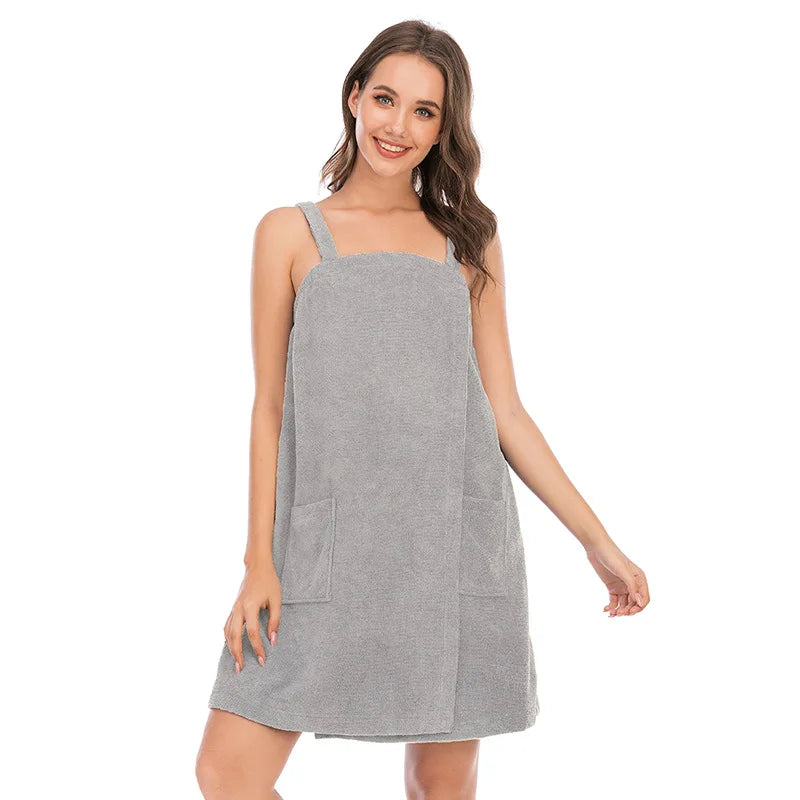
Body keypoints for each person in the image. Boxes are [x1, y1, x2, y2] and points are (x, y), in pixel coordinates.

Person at [195, 19, 650, 800]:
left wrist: (597, 542)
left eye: (424, 111)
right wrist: (258, 562)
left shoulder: (467, 240)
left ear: (444, 128)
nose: (397, 126)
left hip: (451, 546)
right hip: (323, 551)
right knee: (227, 770)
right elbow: (268, 407)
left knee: (441, 785)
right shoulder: (289, 234)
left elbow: (505, 411)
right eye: (384, 98)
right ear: (353, 98)